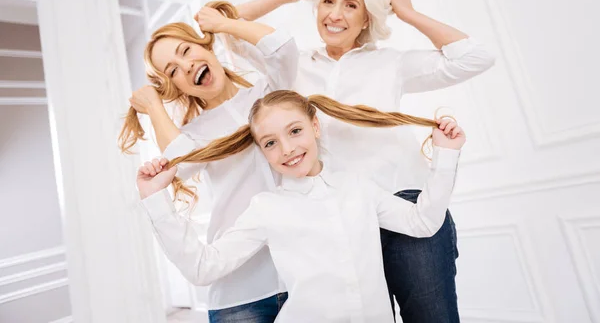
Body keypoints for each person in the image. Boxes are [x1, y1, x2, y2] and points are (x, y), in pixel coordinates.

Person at [235, 0, 496, 322]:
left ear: (367, 17)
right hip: (338, 215)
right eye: (327, 1)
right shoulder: (293, 65)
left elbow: (475, 57)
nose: (335, 14)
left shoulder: (392, 63)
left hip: (406, 203)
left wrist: (408, 13)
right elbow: (228, 27)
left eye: (350, 5)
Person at [138, 90, 465, 323]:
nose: (287, 149)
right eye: (270, 143)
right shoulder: (266, 208)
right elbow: (203, 268)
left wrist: (446, 156)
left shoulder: (357, 186)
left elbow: (422, 222)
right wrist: (156, 198)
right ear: (262, 151)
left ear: (315, 126)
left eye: (295, 131)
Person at [119, 1, 298, 322]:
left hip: (302, 275)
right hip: (240, 292)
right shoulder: (193, 135)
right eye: (172, 70)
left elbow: (282, 49)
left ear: (206, 45)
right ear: (174, 86)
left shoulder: (270, 93)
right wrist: (154, 107)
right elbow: (181, 163)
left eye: (186, 51)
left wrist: (223, 25)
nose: (185, 66)